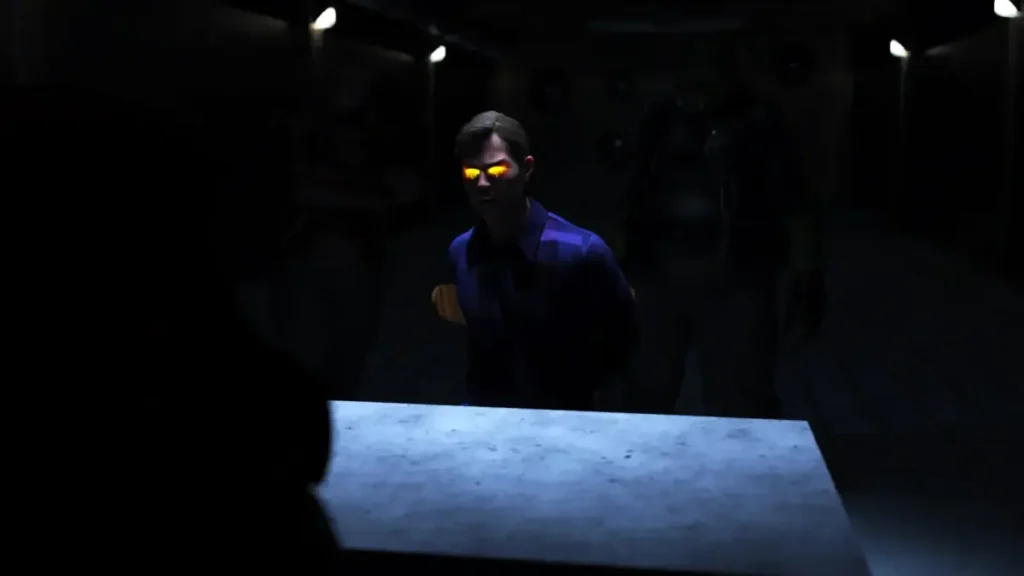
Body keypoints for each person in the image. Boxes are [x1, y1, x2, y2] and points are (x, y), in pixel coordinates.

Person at [622, 60, 826, 420]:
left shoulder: (759, 124)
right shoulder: (659, 121)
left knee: (741, 398)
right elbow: (631, 195)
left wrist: (807, 282)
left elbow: (794, 202)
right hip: (659, 275)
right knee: (645, 391)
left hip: (736, 279)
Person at [446, 111, 638, 411]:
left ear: (526, 168)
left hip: (566, 416)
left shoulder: (581, 252)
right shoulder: (463, 251)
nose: (482, 183)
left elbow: (623, 336)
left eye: (496, 170)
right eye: (471, 173)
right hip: (485, 414)